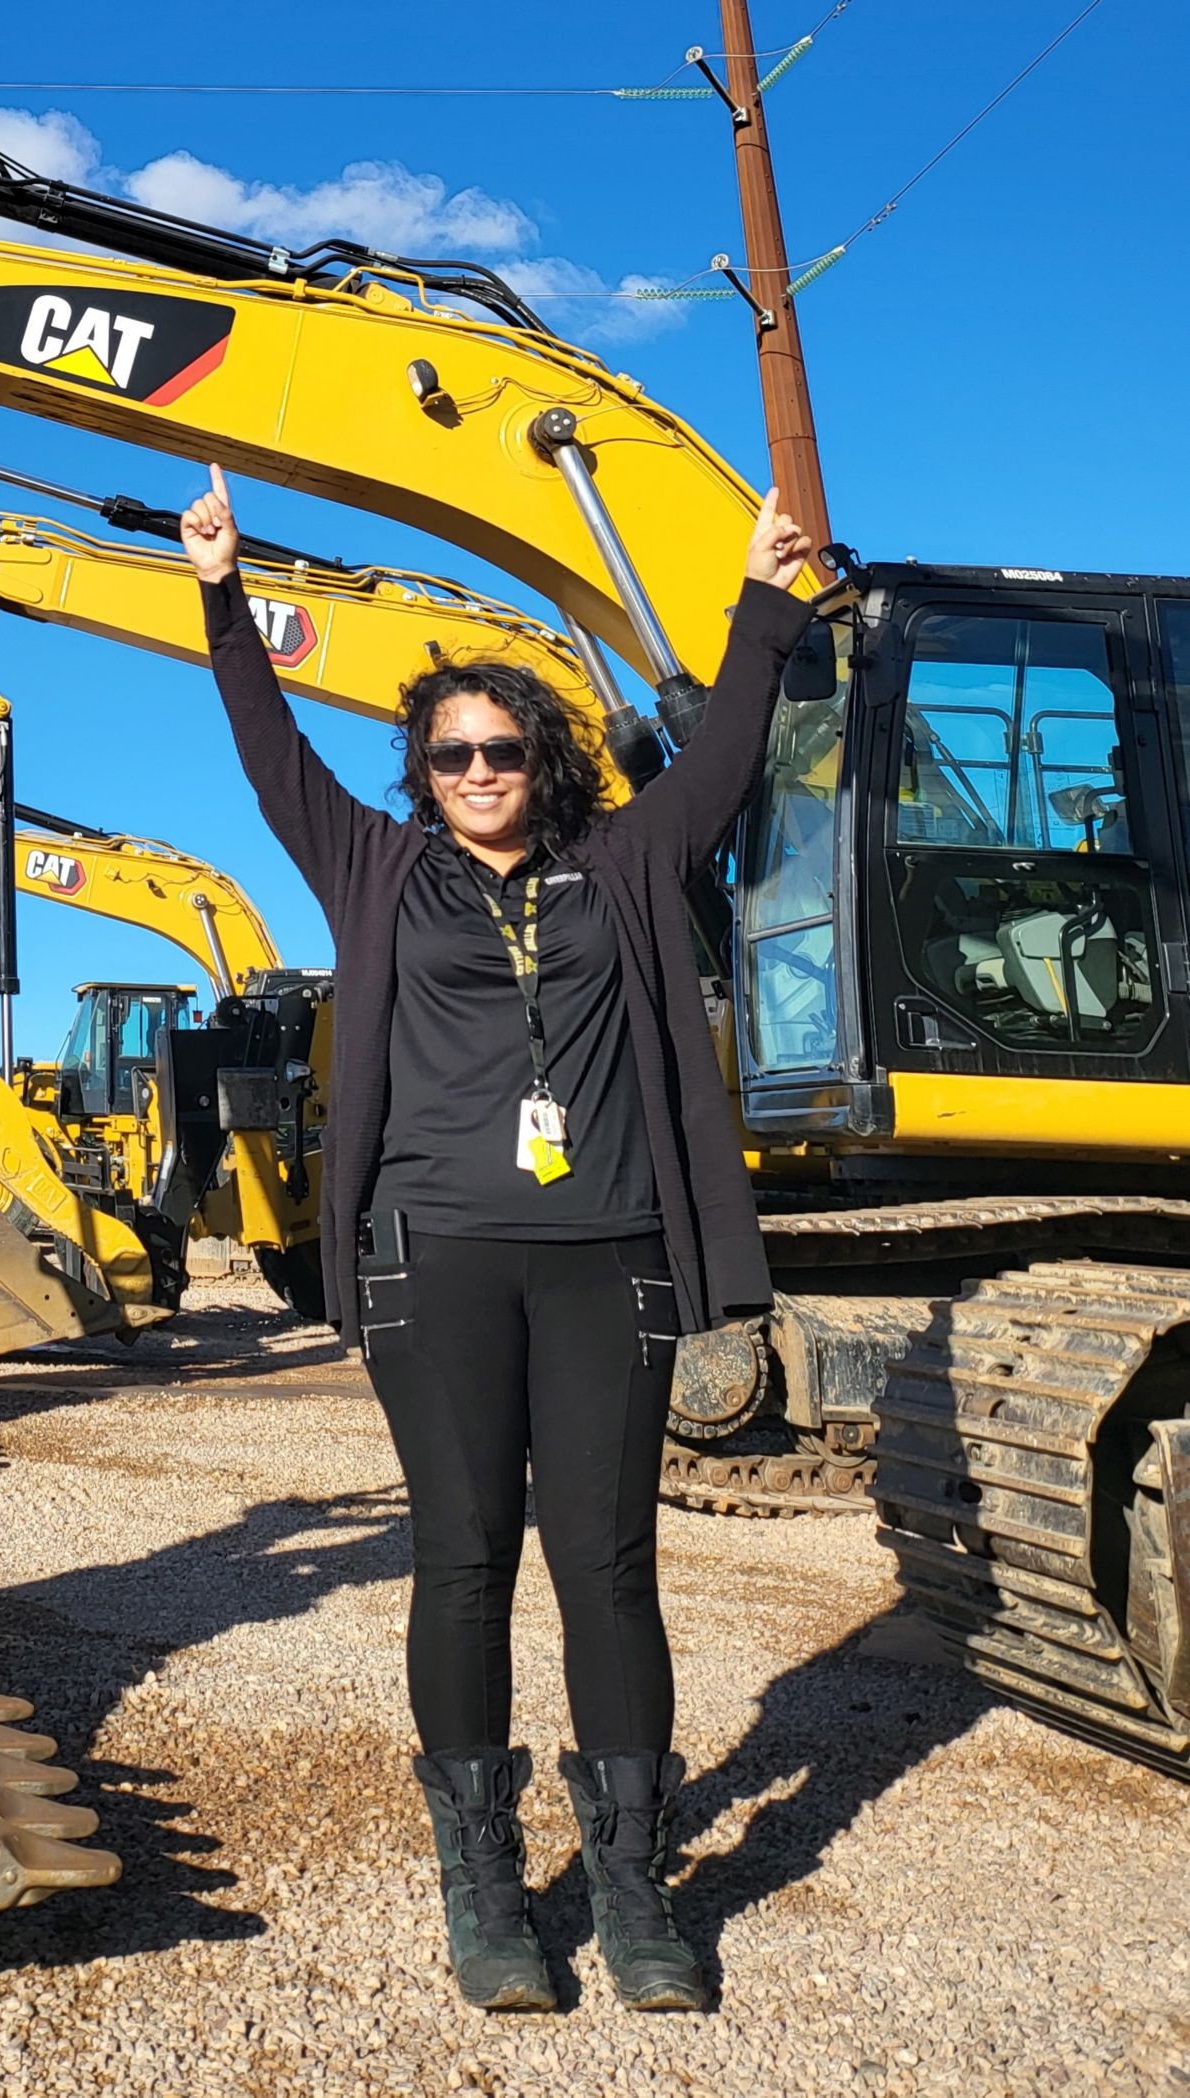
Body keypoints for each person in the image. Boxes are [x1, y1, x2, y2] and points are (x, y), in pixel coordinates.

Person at [180, 465, 812, 2014]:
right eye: (452, 750)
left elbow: (726, 760)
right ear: (425, 767)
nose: (478, 768)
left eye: (503, 746)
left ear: (546, 759)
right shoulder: (379, 870)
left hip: (613, 1256)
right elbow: (276, 768)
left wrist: (768, 603)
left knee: (610, 1566)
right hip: (435, 1258)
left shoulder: (626, 866)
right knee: (462, 1561)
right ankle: (484, 1885)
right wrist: (219, 593)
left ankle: (630, 1882)